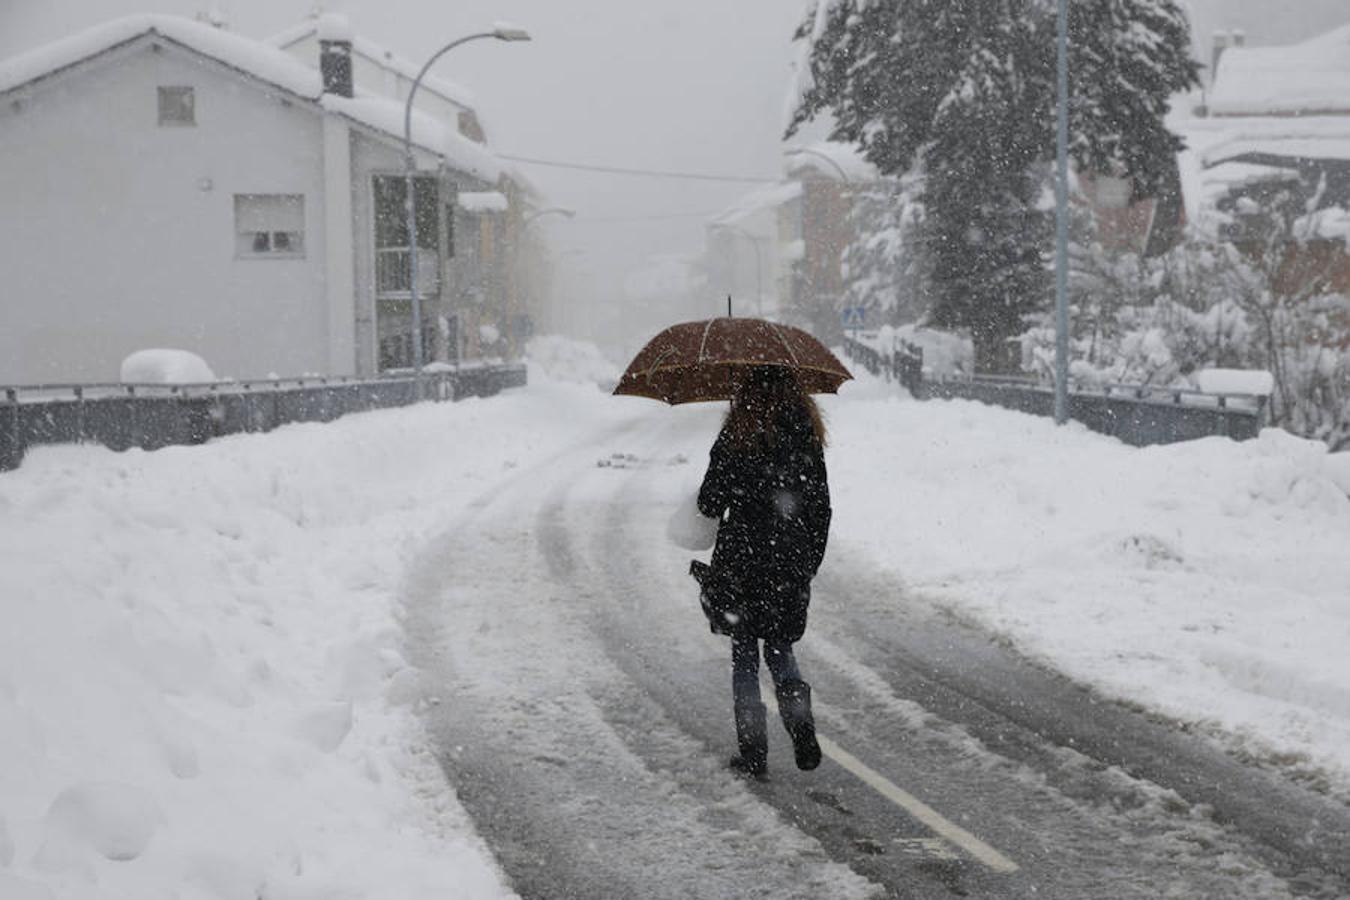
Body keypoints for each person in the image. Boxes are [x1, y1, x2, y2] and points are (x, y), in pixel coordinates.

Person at [696, 365, 831, 778]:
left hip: (742, 561)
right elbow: (820, 506)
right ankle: (800, 725)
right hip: (788, 561)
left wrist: (727, 471)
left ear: (748, 389)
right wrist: (807, 562)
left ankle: (753, 751)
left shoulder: (738, 433)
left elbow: (709, 502)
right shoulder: (806, 434)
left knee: (744, 656)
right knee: (780, 648)